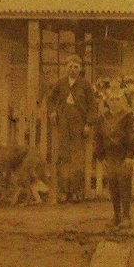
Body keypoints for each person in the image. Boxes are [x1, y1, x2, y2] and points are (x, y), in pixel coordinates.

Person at [43, 54, 98, 202]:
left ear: (80, 69)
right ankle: (63, 192)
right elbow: (50, 99)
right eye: (70, 67)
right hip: (63, 121)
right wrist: (53, 111)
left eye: (76, 67)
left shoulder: (85, 85)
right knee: (63, 156)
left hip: (79, 122)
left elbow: (93, 106)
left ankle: (75, 192)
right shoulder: (61, 83)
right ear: (65, 68)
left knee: (77, 158)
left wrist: (88, 123)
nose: (72, 69)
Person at [94, 85, 134, 228]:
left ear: (122, 100)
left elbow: (131, 137)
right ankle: (116, 216)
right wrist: (101, 157)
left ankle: (126, 217)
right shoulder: (103, 117)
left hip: (123, 156)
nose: (114, 102)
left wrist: (130, 156)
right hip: (109, 156)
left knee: (124, 185)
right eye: (111, 99)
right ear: (107, 101)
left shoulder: (127, 116)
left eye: (117, 99)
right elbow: (98, 137)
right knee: (113, 185)